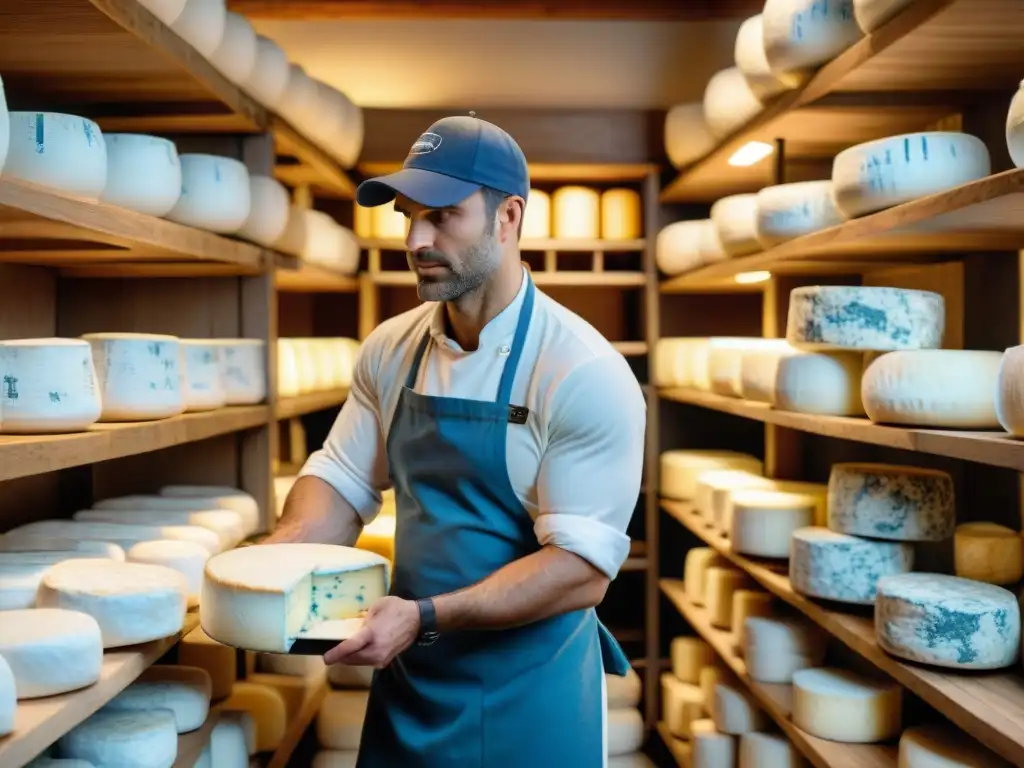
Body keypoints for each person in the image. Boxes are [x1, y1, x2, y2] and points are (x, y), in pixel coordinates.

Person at [267, 114, 647, 766]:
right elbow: (340, 479)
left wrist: (426, 616)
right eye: (408, 216)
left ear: (509, 218)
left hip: (529, 698)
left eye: (443, 215)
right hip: (412, 682)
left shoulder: (582, 371)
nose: (416, 238)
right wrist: (270, 566)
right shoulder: (391, 348)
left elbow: (581, 572)